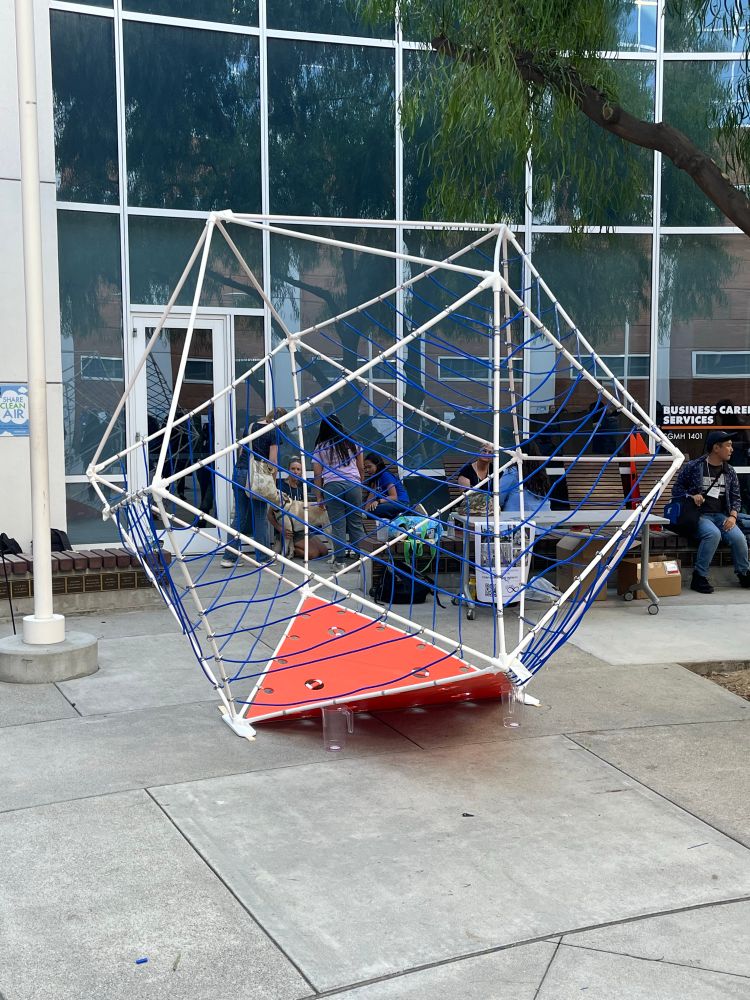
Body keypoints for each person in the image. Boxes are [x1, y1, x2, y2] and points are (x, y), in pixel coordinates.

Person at [671, 429, 750, 593]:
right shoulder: (694, 466)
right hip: (699, 516)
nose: (732, 449)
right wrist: (691, 496)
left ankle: (744, 574)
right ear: (716, 448)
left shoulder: (729, 471)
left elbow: (736, 497)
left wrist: (733, 516)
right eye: (728, 446)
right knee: (713, 534)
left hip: (721, 516)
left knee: (738, 537)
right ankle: (699, 576)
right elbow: (676, 490)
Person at [221, 406, 286, 568]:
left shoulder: (250, 427)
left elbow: (243, 451)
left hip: (240, 471)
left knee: (240, 516)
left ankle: (228, 557)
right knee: (259, 517)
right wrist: (272, 482)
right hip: (257, 477)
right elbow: (272, 461)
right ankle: (262, 558)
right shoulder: (274, 431)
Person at [312, 414, 365, 569]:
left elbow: (317, 474)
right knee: (355, 523)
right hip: (353, 485)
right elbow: (361, 467)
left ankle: (340, 562)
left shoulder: (321, 447)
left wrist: (319, 495)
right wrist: (359, 483)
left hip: (332, 487)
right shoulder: (353, 443)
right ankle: (361, 558)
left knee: (338, 525)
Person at [268, 457, 328, 559]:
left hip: (301, 530)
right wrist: (280, 529)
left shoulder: (302, 488)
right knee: (313, 554)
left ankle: (291, 548)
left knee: (324, 551)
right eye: (293, 468)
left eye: (298, 469)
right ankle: (290, 549)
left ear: (301, 472)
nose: (295, 471)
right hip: (287, 531)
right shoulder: (281, 488)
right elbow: (270, 514)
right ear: (288, 470)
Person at [499, 446, 552, 515]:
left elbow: (499, 498)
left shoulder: (513, 472)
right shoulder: (541, 473)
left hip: (517, 520)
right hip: (545, 520)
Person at [363, 453, 410, 520]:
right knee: (369, 511)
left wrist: (378, 501)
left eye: (369, 467)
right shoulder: (376, 479)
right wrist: (365, 511)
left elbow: (394, 497)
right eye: (365, 468)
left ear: (377, 465)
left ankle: (410, 512)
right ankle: (396, 516)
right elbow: (371, 496)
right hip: (389, 504)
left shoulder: (386, 475)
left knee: (373, 510)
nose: (367, 470)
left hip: (401, 503)